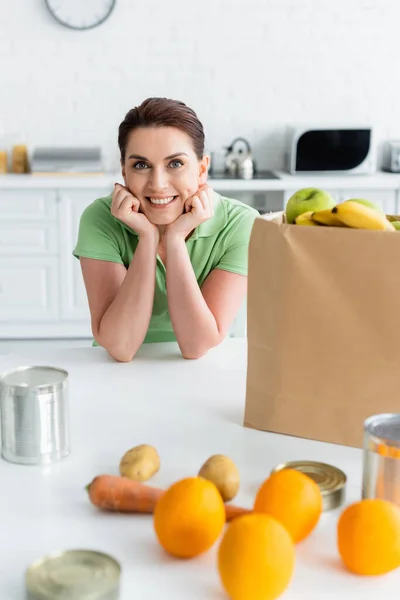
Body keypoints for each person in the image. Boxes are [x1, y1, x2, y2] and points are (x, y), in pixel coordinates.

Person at [73, 97, 259, 362]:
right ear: (124, 172)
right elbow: (120, 347)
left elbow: (196, 346)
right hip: (116, 372)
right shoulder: (100, 219)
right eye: (141, 165)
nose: (158, 184)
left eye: (175, 164)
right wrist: (147, 237)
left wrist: (175, 239)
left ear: (202, 169)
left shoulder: (241, 224)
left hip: (205, 368)